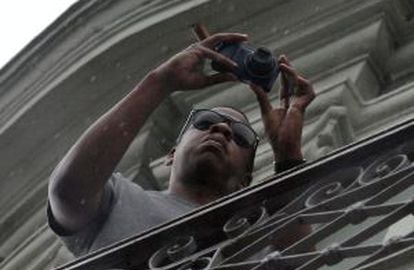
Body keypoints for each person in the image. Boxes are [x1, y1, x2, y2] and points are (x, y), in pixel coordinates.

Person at [47, 29, 315, 257]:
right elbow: (68, 191)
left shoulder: (255, 236)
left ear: (246, 180)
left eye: (241, 136)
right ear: (172, 154)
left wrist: (288, 157)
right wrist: (161, 81)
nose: (221, 129)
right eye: (205, 122)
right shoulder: (120, 198)